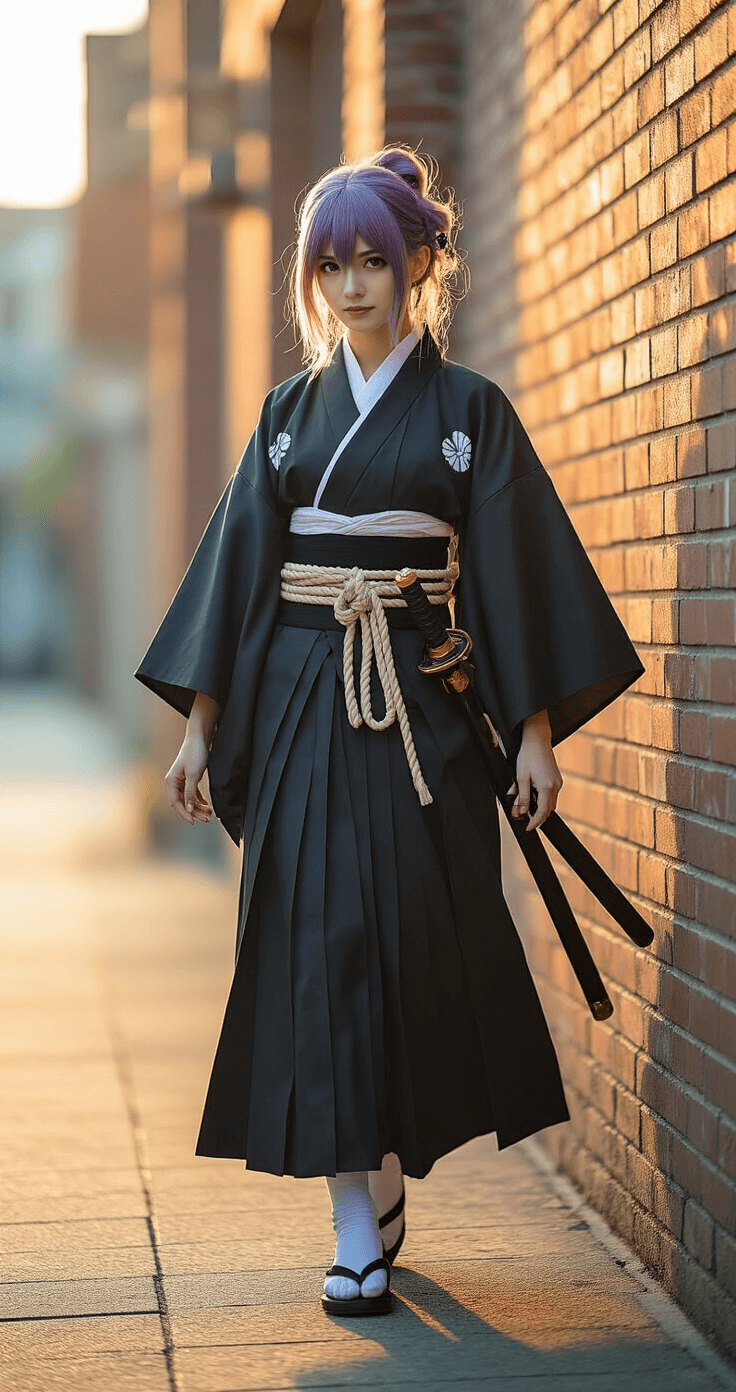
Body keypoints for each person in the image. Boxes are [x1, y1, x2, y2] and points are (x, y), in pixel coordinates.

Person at [134, 146, 644, 1318]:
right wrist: (198, 733)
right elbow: (238, 578)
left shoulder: (469, 414)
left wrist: (532, 734)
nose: (353, 283)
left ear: (418, 262)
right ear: (312, 280)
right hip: (306, 696)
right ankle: (352, 1219)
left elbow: (516, 575)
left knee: (410, 942)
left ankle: (391, 1169)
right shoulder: (286, 418)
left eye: (374, 257)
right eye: (331, 263)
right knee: (318, 943)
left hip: (425, 704)